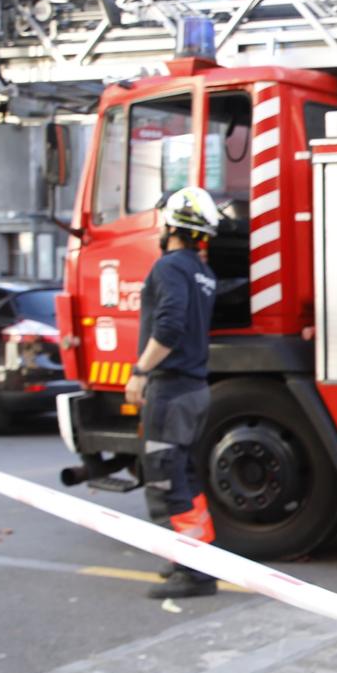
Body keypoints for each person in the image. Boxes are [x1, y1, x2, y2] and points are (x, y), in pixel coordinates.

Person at [124, 186, 223, 601]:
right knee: (186, 477)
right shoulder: (204, 274)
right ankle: (195, 558)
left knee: (165, 480)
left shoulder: (169, 268)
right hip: (196, 388)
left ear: (171, 226)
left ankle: (193, 571)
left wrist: (140, 370)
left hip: (172, 389)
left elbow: (168, 327)